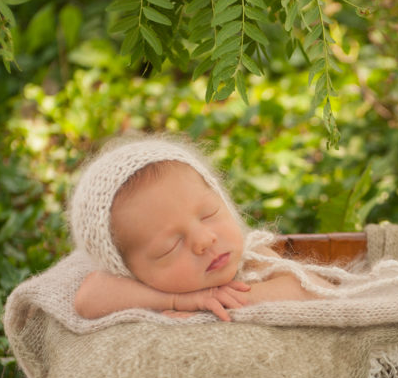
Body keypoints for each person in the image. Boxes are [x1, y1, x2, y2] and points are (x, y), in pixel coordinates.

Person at [69, 136, 329, 321]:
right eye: (169, 246)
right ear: (126, 271)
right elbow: (88, 298)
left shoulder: (249, 260)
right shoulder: (131, 289)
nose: (205, 240)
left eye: (209, 214)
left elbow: (315, 290)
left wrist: (232, 299)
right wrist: (177, 301)